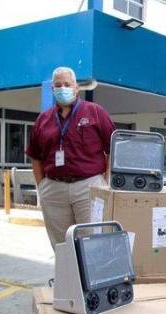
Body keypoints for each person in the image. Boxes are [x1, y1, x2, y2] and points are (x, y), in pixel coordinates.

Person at [26, 66, 115, 249]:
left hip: (89, 186)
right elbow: (35, 157)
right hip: (53, 188)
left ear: (76, 88)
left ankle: (90, 278)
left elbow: (113, 149)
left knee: (91, 242)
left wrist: (105, 181)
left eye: (67, 84)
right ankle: (66, 278)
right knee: (61, 245)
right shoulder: (43, 120)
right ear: (52, 89)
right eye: (58, 85)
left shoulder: (96, 112)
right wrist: (42, 186)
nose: (62, 88)